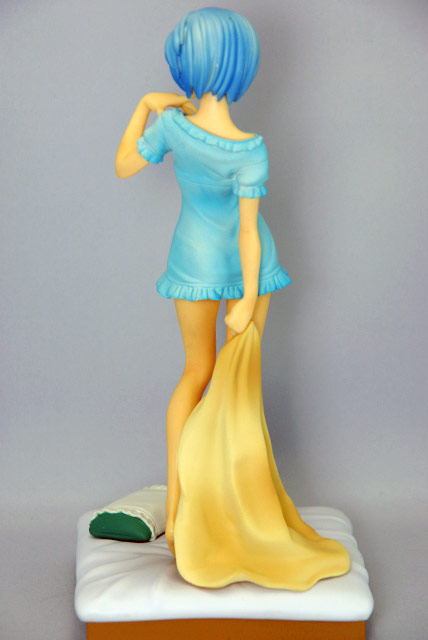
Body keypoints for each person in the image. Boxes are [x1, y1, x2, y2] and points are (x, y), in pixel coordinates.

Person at [115, 8, 292, 557]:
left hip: (215, 261)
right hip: (223, 264)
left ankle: (214, 508)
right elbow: (247, 231)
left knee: (220, 381)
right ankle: (182, 511)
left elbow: (124, 163)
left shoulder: (176, 126)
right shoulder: (249, 147)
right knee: (220, 382)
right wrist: (248, 297)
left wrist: (145, 107)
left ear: (190, 61)